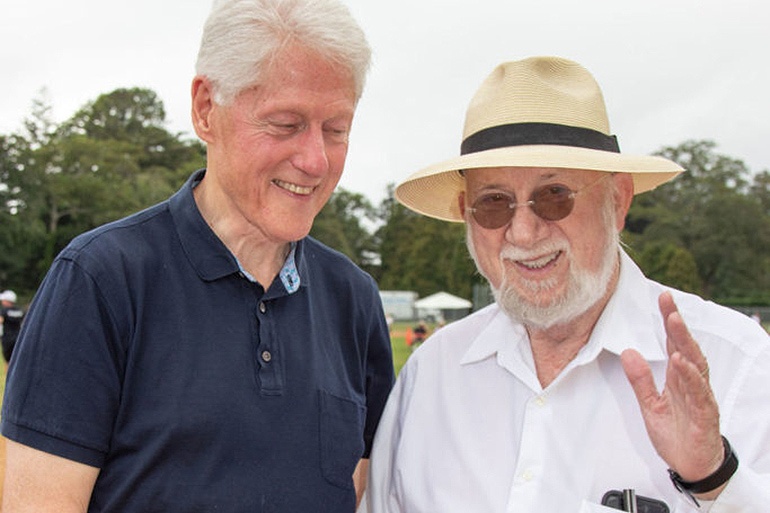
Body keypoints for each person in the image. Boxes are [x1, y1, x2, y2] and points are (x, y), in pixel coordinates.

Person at [1, 0, 394, 511]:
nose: (316, 160)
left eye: (336, 128)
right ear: (206, 108)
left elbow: (357, 488)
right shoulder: (99, 280)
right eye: (285, 123)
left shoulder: (354, 300)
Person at [365, 57, 770, 512]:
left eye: (554, 195)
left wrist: (714, 478)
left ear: (618, 201)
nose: (522, 232)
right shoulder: (431, 375)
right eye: (494, 203)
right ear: (466, 213)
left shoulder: (738, 365)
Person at [0, 290, 24, 366]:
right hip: (18, 337)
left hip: (7, 339)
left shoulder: (4, 311)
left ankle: (8, 377)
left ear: (7, 301)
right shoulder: (19, 310)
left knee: (8, 361)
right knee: (17, 359)